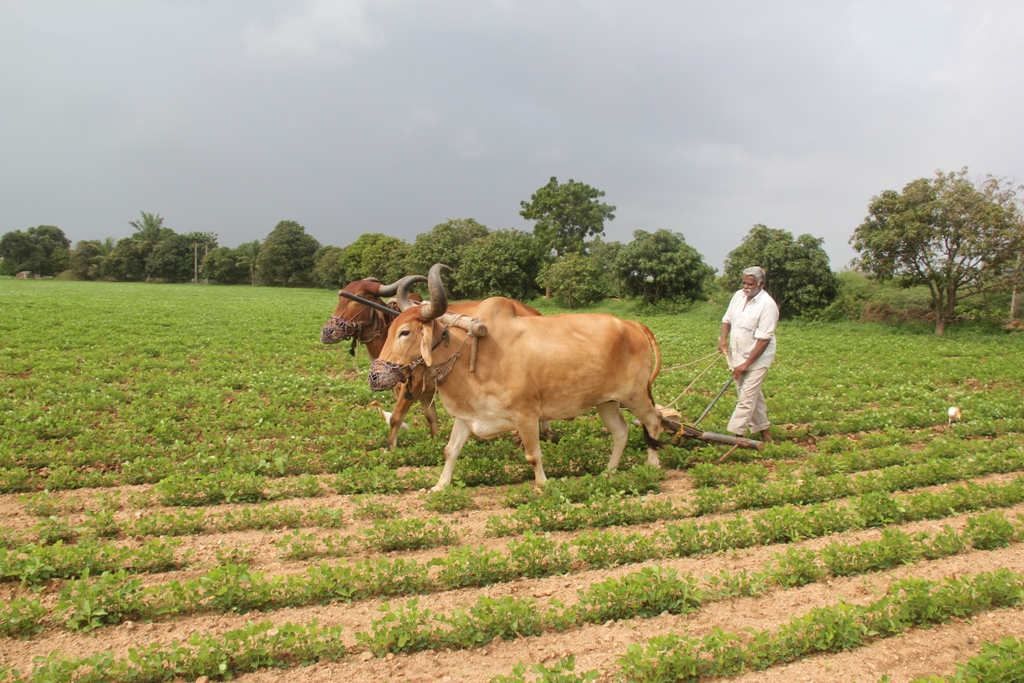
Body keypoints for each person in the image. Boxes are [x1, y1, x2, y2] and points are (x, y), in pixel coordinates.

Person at [717, 266, 778, 442]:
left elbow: (764, 340)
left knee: (746, 397)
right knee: (752, 395)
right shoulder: (738, 296)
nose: (746, 286)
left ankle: (737, 436)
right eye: (744, 282)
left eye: (750, 284)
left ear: (761, 284)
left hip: (758, 358)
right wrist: (723, 340)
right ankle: (766, 434)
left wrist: (746, 364)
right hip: (738, 354)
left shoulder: (768, 305)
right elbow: (726, 320)